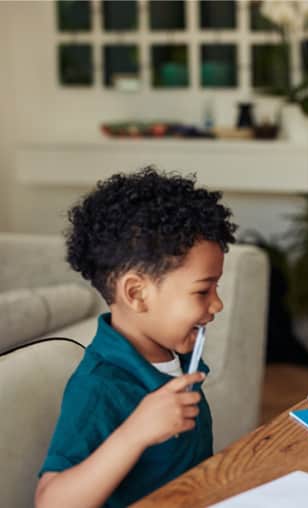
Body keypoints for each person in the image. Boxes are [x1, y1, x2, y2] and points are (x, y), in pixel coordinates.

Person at [35, 168, 237, 507]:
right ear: (136, 293)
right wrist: (135, 433)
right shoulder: (100, 387)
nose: (217, 304)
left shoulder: (177, 358)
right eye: (203, 290)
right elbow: (50, 501)